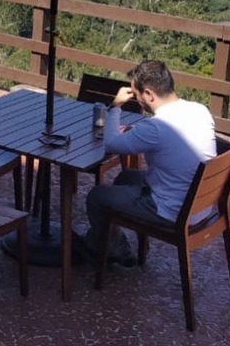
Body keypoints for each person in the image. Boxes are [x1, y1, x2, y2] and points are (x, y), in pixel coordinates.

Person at [82, 60, 216, 266]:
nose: (137, 100)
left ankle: (117, 251)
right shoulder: (200, 110)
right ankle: (107, 240)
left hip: (173, 211)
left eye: (136, 95)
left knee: (97, 196)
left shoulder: (155, 127)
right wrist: (138, 134)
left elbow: (110, 144)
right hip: (201, 205)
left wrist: (115, 106)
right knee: (125, 177)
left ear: (149, 94)